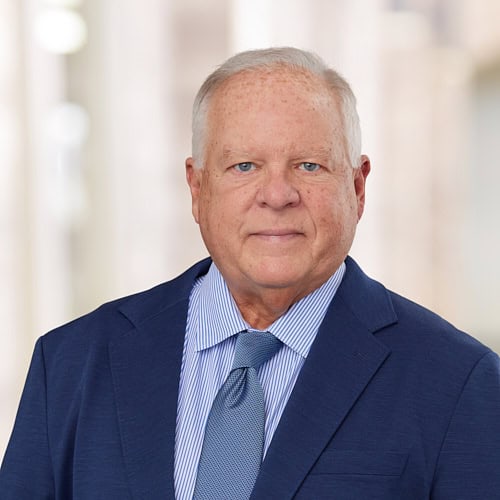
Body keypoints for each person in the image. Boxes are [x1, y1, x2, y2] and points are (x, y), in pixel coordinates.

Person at [1, 47, 499, 500]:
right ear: (197, 189)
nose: (277, 195)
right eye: (244, 166)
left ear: (357, 186)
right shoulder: (70, 365)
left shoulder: (457, 383)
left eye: (308, 166)